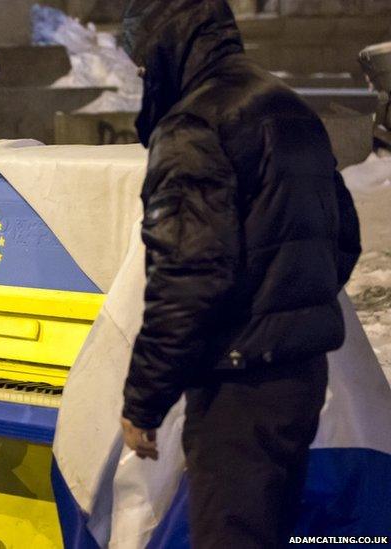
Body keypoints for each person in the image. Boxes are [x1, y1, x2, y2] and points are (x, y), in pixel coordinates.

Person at [117, 1, 361, 548]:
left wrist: (142, 403)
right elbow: (341, 241)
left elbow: (187, 281)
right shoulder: (288, 106)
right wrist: (284, 308)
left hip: (238, 389)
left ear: (167, 47)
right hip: (298, 380)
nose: (141, 75)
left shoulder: (195, 126)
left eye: (142, 62)